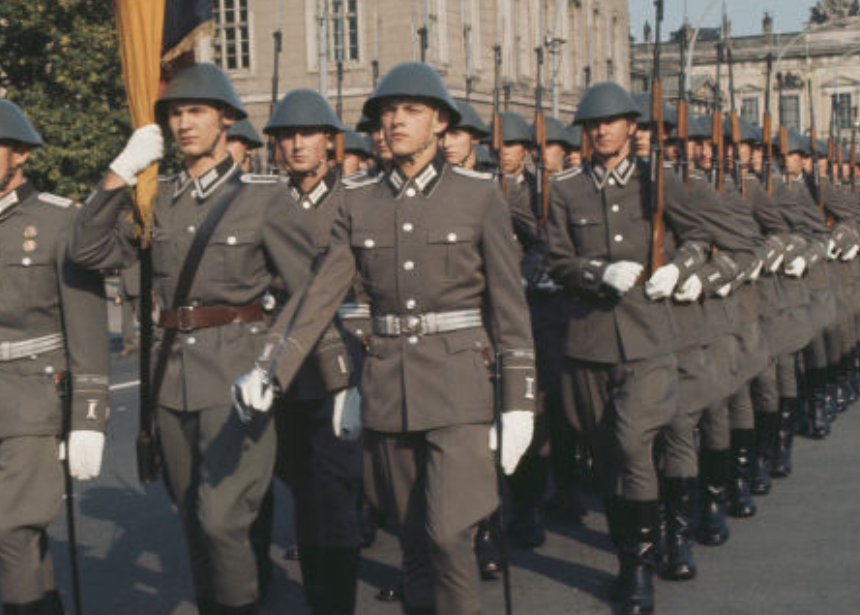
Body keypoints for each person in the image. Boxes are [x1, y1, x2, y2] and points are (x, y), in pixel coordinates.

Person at [234, 62, 536, 615]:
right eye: (388, 112)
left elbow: (508, 307)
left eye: (411, 110)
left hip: (459, 386)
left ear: (440, 122)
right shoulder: (360, 198)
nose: (396, 121)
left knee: (449, 535)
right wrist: (270, 368)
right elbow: (321, 291)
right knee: (414, 538)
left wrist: (519, 402)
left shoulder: (477, 195)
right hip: (388, 386)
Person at [68, 63, 344, 614]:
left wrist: (298, 369)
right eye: (175, 113)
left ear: (227, 120)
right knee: (194, 517)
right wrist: (118, 176)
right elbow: (89, 253)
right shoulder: (156, 196)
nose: (184, 123)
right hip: (169, 377)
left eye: (196, 111)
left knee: (222, 520)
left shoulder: (264, 199)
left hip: (236, 371)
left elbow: (308, 291)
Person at [546, 83, 706, 615]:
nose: (601, 131)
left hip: (648, 338)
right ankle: (628, 554)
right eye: (592, 125)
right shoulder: (566, 188)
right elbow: (557, 260)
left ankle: (639, 570)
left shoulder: (657, 182)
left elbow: (698, 238)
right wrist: (596, 273)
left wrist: (682, 269)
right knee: (610, 454)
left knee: (632, 442)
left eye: (611, 122)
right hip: (589, 342)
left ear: (631, 128)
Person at [0, 99, 110, 614]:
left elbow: (86, 326)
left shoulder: (57, 221)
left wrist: (88, 417)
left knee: (11, 528)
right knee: (16, 545)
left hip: (32, 394)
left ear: (19, 153)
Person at [261, 88, 365, 614]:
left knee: (334, 490)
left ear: (330, 141)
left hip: (342, 357)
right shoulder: (266, 202)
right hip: (283, 361)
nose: (297, 144)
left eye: (307, 134)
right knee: (299, 482)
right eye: (286, 136)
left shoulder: (355, 199)